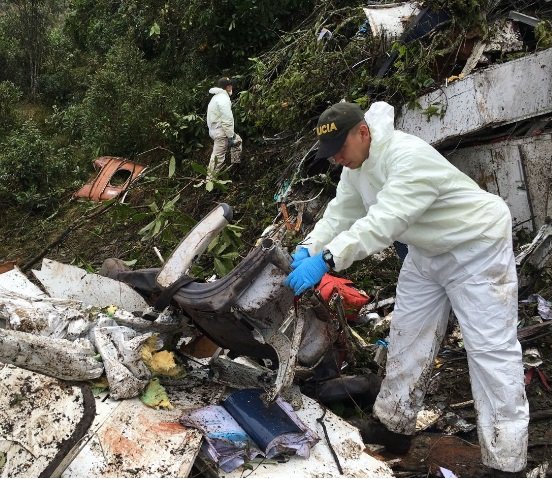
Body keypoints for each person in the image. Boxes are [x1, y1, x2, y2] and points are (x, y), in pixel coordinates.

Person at [284, 101, 529, 473]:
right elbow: (342, 212)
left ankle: (507, 462)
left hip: (475, 246)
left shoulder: (408, 157)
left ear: (362, 132)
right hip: (427, 252)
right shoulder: (357, 165)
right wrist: (310, 247)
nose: (336, 160)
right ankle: (393, 426)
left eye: (339, 151)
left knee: (490, 352)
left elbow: (385, 222)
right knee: (406, 336)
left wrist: (328, 260)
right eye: (330, 155)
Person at [206, 76, 242, 180]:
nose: (232, 87)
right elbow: (227, 119)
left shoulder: (216, 97)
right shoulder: (223, 99)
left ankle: (235, 167)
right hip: (221, 132)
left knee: (238, 141)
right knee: (217, 159)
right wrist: (230, 136)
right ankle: (210, 183)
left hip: (215, 130)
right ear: (227, 87)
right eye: (230, 85)